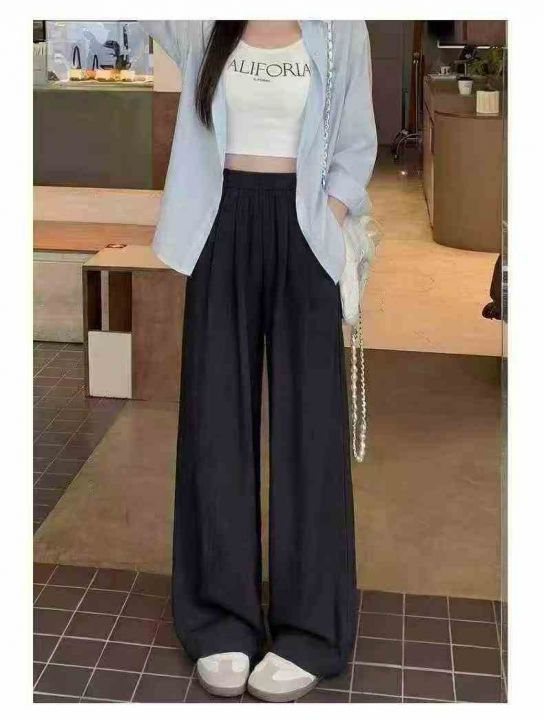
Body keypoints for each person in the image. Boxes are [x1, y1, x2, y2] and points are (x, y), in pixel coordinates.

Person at [140, 19, 377, 702]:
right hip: (219, 224)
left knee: (311, 429)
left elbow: (357, 139)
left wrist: (330, 215)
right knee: (215, 419)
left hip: (305, 227)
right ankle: (220, 618)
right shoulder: (201, 22)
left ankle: (311, 627)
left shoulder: (340, 26)